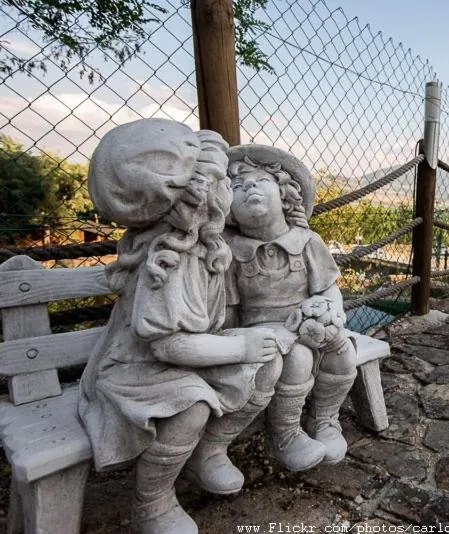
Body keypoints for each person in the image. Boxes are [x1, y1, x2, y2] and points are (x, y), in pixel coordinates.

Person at [78, 119, 281, 534]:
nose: (231, 190)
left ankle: (210, 452)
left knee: (270, 365)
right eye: (224, 181)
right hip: (138, 370)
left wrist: (248, 343)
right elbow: (168, 348)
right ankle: (151, 502)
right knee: (190, 405)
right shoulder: (168, 264)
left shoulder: (204, 245)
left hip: (189, 352)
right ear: (197, 199)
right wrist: (240, 349)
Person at [223, 144, 357, 472]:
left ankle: (325, 419)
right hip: (262, 331)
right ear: (227, 208)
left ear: (285, 195)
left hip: (310, 321)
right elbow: (228, 308)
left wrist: (330, 312)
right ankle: (285, 434)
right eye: (237, 188)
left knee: (343, 351)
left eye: (260, 181)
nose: (249, 187)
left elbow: (327, 288)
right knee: (298, 359)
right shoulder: (230, 252)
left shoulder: (307, 242)